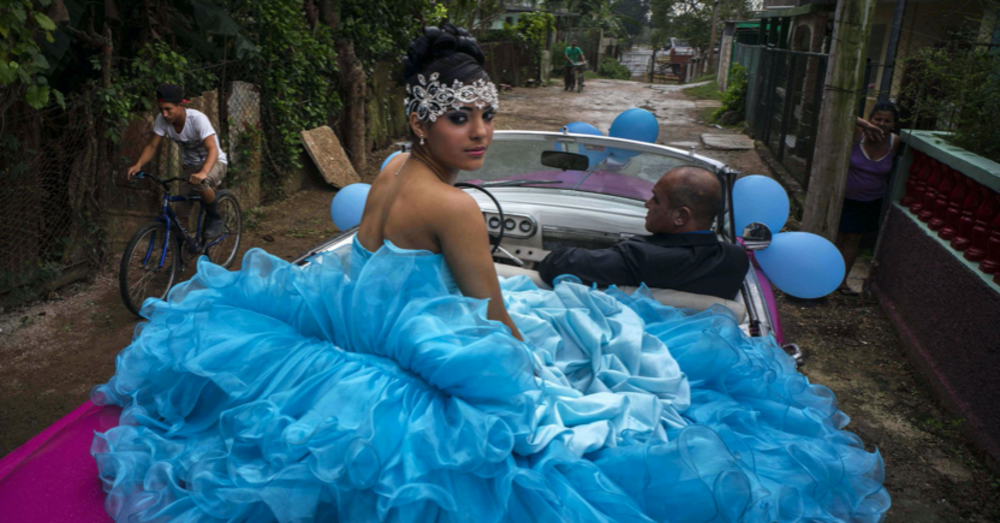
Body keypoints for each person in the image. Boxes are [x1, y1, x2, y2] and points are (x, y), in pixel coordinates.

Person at [89, 24, 889, 523]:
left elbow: (380, 265)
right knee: (580, 357)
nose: (479, 132)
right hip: (423, 344)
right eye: (459, 115)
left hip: (364, 325)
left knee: (567, 316)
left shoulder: (398, 165)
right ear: (420, 118)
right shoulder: (457, 208)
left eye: (486, 114)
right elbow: (495, 322)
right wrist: (542, 371)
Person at [538, 166, 748, 300]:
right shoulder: (736, 260)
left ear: (681, 217)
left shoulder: (639, 257)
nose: (647, 204)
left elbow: (555, 265)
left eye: (655, 199)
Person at [127, 83, 228, 238]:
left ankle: (215, 217)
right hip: (190, 167)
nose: (165, 114)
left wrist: (203, 172)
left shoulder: (197, 119)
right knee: (181, 211)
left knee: (202, 184)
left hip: (214, 162)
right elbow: (152, 145)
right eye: (161, 110)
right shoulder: (162, 120)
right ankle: (184, 248)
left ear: (180, 105)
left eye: (168, 109)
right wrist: (138, 164)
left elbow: (212, 149)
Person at [836, 101, 900, 295]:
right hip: (844, 197)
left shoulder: (894, 142)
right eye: (877, 119)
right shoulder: (858, 133)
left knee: (853, 239)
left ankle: (841, 281)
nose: (882, 123)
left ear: (894, 123)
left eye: (887, 120)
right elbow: (840, 112)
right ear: (870, 119)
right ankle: (826, 276)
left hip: (870, 201)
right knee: (837, 237)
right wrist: (865, 125)